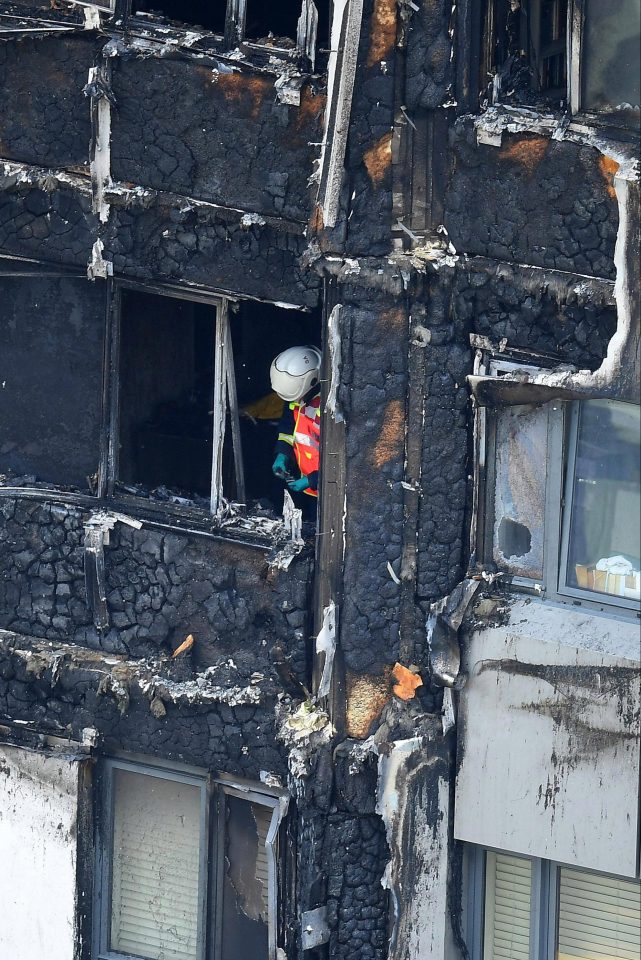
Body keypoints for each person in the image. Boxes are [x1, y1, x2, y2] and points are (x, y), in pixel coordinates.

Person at [270, 346, 322, 498]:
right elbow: (288, 430)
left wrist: (313, 479)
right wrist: (282, 455)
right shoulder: (296, 395)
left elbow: (338, 459)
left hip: (328, 491)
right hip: (308, 487)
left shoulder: (329, 407)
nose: (292, 402)